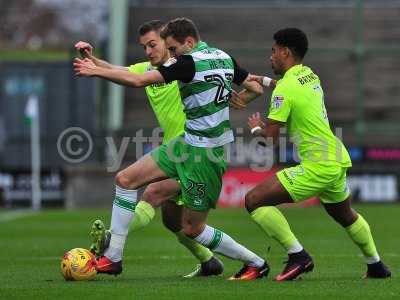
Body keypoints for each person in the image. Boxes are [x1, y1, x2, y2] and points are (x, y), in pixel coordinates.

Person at [74, 17, 271, 280]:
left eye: (173, 49)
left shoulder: (186, 63)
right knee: (126, 179)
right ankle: (113, 258)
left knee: (192, 229)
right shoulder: (222, 56)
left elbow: (137, 81)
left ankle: (256, 263)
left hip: (205, 154)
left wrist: (94, 71)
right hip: (185, 143)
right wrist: (234, 99)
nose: (171, 54)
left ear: (187, 42)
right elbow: (255, 87)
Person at [243, 27, 391, 281]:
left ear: (286, 52)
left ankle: (298, 256)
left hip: (318, 164)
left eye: (274, 51)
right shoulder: (309, 75)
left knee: (254, 200)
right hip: (335, 156)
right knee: (345, 215)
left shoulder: (285, 89)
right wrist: (264, 81)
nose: (271, 57)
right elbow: (286, 86)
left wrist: (256, 126)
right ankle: (376, 265)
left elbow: (270, 140)